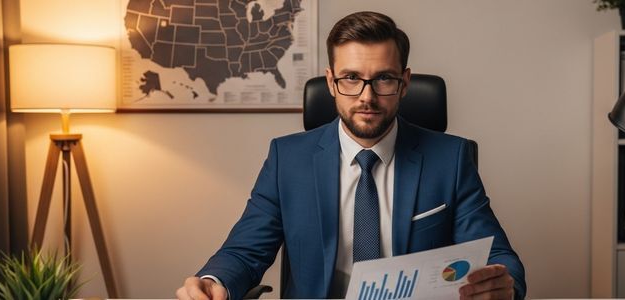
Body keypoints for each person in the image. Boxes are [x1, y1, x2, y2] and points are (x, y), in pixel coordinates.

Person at [176, 11, 526, 300]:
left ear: (405, 83)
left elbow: (497, 255)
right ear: (330, 82)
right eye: (351, 78)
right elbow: (244, 252)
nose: (366, 97)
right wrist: (214, 281)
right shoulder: (287, 159)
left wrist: (502, 284)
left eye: (383, 79)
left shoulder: (450, 158)